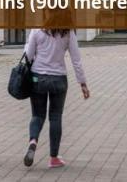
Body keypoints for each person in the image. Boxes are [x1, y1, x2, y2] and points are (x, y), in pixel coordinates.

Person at [22, 25, 90, 169]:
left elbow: (28, 55)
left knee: (37, 116)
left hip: (37, 78)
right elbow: (76, 59)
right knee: (55, 117)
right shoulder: (68, 31)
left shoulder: (37, 29)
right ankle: (53, 158)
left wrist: (27, 45)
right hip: (59, 79)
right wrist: (82, 83)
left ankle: (33, 141)